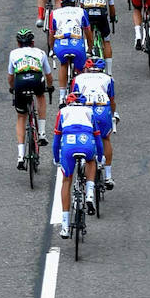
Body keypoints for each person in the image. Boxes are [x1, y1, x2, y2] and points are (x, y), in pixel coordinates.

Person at [52, 92, 101, 236]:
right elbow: (98, 139)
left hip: (68, 145)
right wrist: (100, 156)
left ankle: (65, 226)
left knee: (66, 180)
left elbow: (56, 141)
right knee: (91, 160)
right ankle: (90, 192)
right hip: (86, 143)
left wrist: (56, 158)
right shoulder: (89, 111)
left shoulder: (62, 112)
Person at [8, 28, 54, 169]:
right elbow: (48, 75)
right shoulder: (40, 53)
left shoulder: (13, 53)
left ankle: (21, 156)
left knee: (21, 117)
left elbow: (10, 77)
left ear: (18, 43)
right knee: (40, 96)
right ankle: (41, 132)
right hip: (36, 79)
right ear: (33, 42)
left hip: (20, 81)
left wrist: (12, 89)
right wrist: (50, 87)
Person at [70, 57, 117, 189]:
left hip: (86, 110)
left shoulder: (78, 78)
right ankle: (108, 176)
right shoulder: (108, 78)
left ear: (86, 68)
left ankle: (84, 164)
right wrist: (113, 115)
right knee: (105, 138)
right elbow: (112, 100)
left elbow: (73, 98)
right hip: (102, 109)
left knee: (87, 135)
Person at [49, 0, 92, 103]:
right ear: (74, 2)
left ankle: (62, 97)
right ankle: (81, 94)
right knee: (81, 69)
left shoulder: (54, 13)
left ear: (61, 2)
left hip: (61, 45)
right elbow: (88, 32)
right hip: (76, 44)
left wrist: (52, 49)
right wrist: (90, 48)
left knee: (63, 64)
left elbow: (51, 34)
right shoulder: (81, 11)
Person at [78, 0, 116, 75]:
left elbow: (81, 6)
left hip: (88, 11)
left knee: (86, 36)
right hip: (101, 12)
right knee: (106, 41)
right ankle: (109, 73)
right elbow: (111, 6)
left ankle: (87, 53)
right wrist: (113, 18)